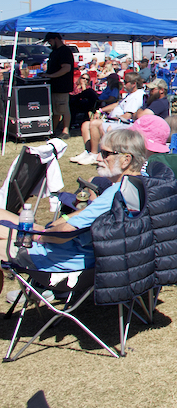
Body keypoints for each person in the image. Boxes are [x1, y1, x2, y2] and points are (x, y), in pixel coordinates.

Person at [0, 129, 147, 272]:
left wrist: (37, 235)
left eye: (105, 153)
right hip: (85, 252)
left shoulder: (115, 195)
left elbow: (64, 234)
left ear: (126, 160)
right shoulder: (142, 185)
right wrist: (60, 221)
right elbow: (87, 213)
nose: (98, 158)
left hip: (58, 258)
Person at [71, 73, 146, 165]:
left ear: (134, 83)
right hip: (114, 120)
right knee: (86, 124)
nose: (123, 84)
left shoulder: (137, 96)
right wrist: (100, 110)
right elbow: (118, 104)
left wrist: (110, 118)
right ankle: (88, 151)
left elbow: (128, 116)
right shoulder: (130, 94)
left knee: (94, 123)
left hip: (122, 123)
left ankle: (94, 154)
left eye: (126, 82)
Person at [44, 33, 75, 138]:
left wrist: (51, 76)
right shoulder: (54, 52)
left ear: (56, 39)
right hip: (54, 86)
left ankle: (65, 131)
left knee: (63, 108)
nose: (49, 44)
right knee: (55, 110)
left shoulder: (65, 51)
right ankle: (52, 130)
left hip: (62, 86)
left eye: (50, 41)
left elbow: (66, 68)